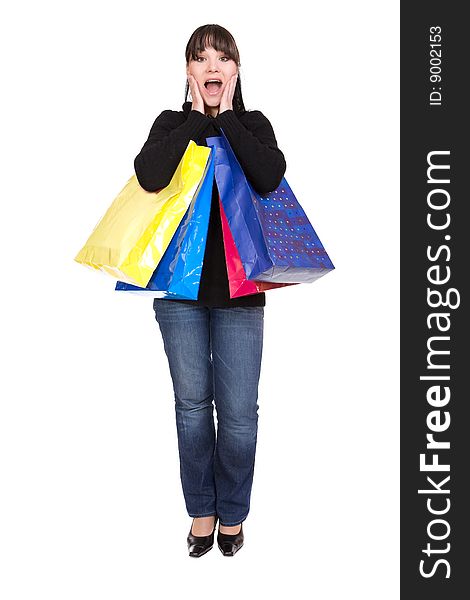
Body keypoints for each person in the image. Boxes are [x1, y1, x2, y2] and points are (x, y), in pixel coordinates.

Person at [134, 24, 286, 557]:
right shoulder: (173, 124)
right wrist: (199, 118)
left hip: (242, 295)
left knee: (240, 413)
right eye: (202, 59)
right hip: (180, 295)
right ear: (189, 72)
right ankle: (201, 510)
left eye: (223, 58)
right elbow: (150, 175)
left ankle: (234, 514)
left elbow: (269, 175)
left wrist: (227, 120)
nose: (212, 66)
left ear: (236, 70)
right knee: (192, 407)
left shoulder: (254, 125)